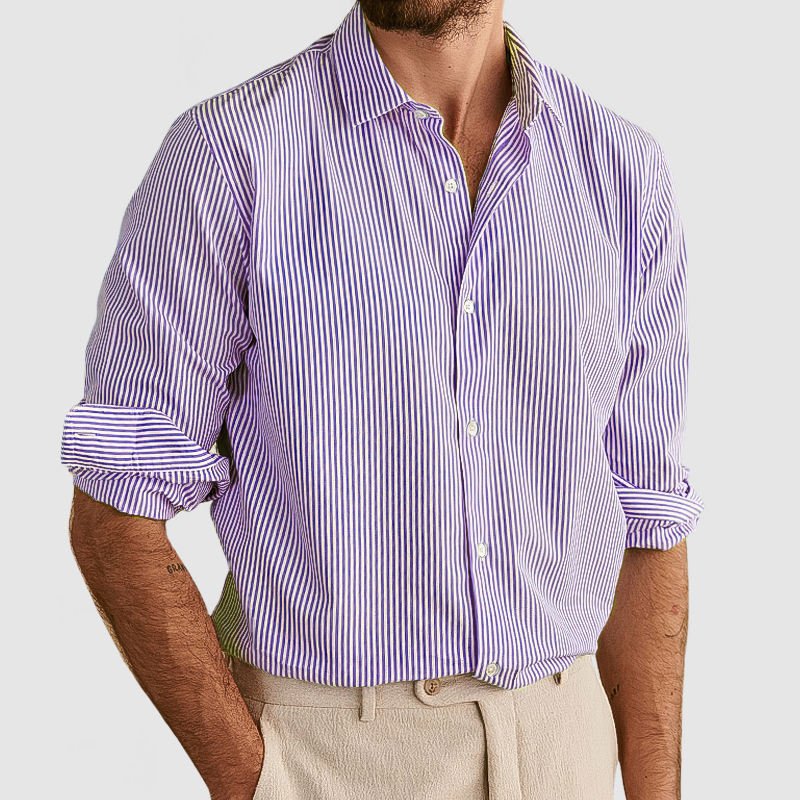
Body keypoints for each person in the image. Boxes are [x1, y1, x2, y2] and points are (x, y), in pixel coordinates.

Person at [61, 0, 704, 798]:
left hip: (566, 744)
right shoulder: (230, 155)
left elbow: (649, 520)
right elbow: (116, 512)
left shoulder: (623, 171)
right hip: (328, 756)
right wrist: (254, 779)